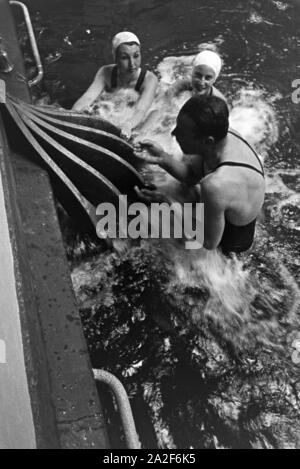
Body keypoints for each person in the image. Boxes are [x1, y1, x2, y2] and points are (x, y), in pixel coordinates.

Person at [134, 95, 265, 254]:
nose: (174, 133)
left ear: (207, 141)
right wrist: (162, 157)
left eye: (182, 132)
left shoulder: (216, 184)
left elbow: (209, 242)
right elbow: (191, 175)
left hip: (231, 240)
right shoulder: (219, 135)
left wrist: (168, 202)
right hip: (227, 206)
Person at [72, 31, 158, 133]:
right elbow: (88, 97)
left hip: (149, 107)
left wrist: (128, 126)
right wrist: (73, 114)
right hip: (119, 105)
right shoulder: (105, 72)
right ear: (115, 58)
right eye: (124, 57)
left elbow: (141, 110)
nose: (132, 64)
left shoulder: (149, 79)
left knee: (154, 116)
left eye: (136, 56)